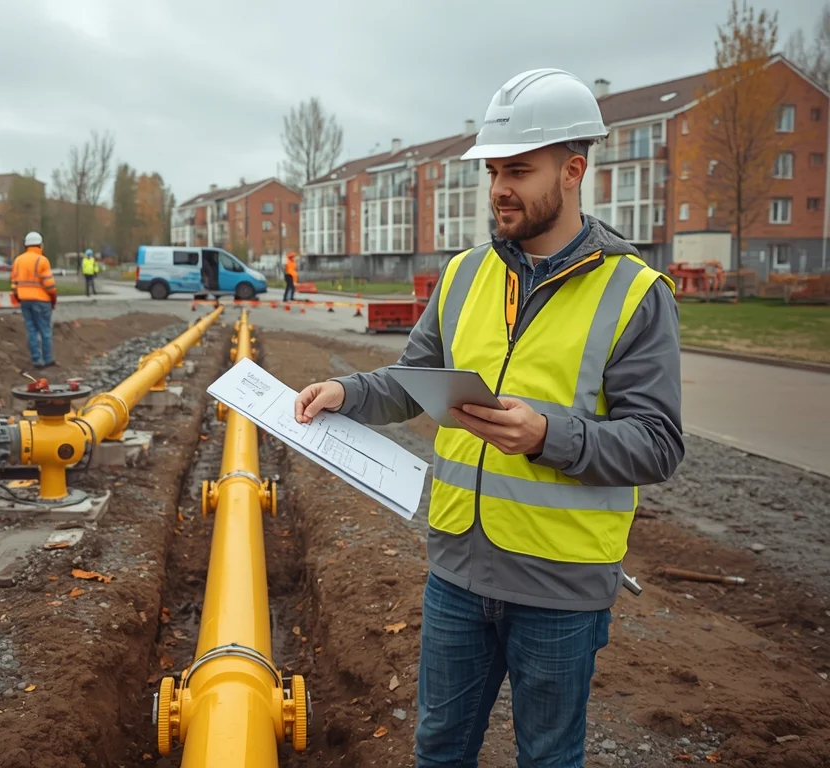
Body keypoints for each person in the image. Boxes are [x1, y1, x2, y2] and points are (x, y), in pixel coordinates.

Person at [293, 68, 684, 768]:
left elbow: (658, 444)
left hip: (561, 588)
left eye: (518, 169)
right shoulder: (466, 274)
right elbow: (413, 382)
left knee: (546, 758)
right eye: (494, 169)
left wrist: (548, 435)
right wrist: (345, 393)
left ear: (572, 170)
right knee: (440, 750)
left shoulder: (635, 293)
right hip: (458, 574)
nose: (499, 187)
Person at [11, 231, 58, 370]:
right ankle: (48, 359)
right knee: (45, 331)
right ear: (40, 245)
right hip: (42, 301)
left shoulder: (18, 260)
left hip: (24, 300)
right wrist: (53, 299)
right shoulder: (42, 260)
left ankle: (36, 360)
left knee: (31, 330)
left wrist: (19, 297)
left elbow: (14, 285)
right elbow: (50, 286)